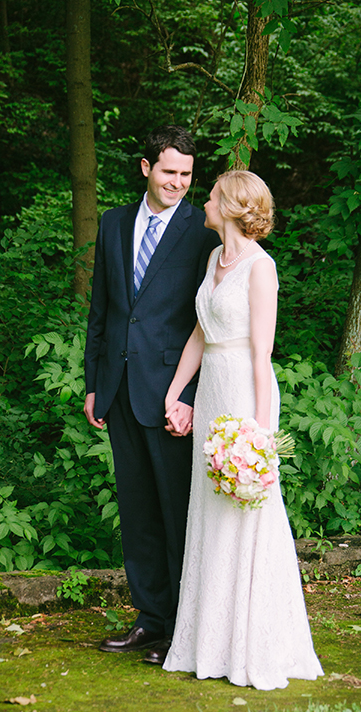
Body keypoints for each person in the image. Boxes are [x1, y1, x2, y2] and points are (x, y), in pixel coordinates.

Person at [159, 170, 323, 688]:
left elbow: (262, 354)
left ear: (230, 206)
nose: (202, 201)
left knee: (248, 509)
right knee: (210, 508)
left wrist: (261, 435)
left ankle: (253, 644)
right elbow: (199, 334)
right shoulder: (214, 259)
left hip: (244, 395)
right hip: (210, 394)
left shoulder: (261, 267)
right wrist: (175, 392)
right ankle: (210, 641)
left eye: (210, 196)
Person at [84, 125, 220, 657]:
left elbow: (209, 320)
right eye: (169, 172)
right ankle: (150, 617)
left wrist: (190, 396)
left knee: (176, 512)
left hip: (172, 395)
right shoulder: (114, 224)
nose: (179, 183)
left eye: (187, 174)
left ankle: (184, 628)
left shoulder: (203, 231)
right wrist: (95, 383)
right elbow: (102, 309)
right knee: (138, 511)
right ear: (146, 168)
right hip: (117, 390)